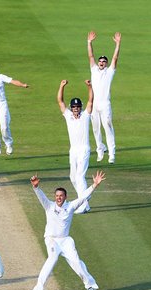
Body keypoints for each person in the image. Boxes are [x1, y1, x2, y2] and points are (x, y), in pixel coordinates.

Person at [29, 170, 106, 290]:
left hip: (65, 241)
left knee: (77, 262)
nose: (58, 197)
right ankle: (38, 289)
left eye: (61, 195)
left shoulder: (70, 206)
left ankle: (90, 286)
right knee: (52, 259)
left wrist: (94, 185)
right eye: (57, 195)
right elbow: (41, 196)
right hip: (51, 239)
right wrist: (36, 187)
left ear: (65, 197)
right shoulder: (49, 206)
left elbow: (82, 198)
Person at [58, 79, 94, 214]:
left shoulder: (86, 116)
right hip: (73, 150)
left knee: (80, 177)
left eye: (78, 107)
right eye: (74, 107)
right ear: (71, 107)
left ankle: (83, 204)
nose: (76, 109)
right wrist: (62, 86)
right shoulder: (68, 116)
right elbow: (60, 101)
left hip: (84, 149)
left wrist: (89, 87)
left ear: (81, 107)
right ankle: (85, 200)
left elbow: (91, 101)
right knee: (73, 177)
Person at [87, 31, 122, 163]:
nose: (101, 63)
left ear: (106, 64)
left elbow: (115, 58)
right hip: (94, 104)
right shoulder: (94, 70)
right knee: (96, 128)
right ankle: (100, 150)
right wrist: (89, 42)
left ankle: (112, 154)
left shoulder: (109, 72)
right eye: (100, 61)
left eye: (104, 61)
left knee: (107, 126)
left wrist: (118, 44)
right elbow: (90, 56)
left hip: (105, 104)